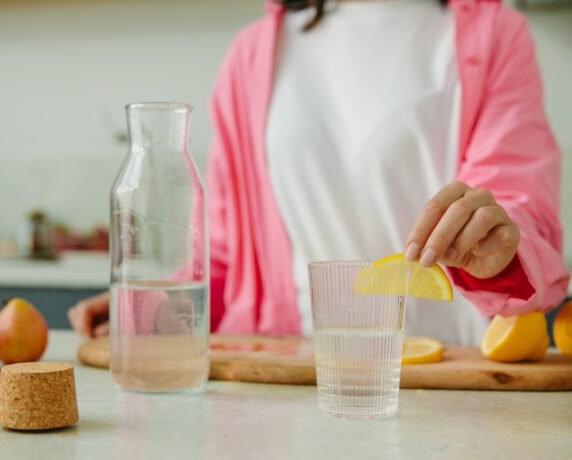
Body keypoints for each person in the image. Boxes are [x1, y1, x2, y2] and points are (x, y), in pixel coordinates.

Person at [69, 0, 569, 345]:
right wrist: (159, 308)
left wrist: (501, 250)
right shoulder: (251, 55)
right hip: (288, 391)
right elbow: (229, 255)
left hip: (444, 382)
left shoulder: (495, 34)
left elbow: (519, 208)